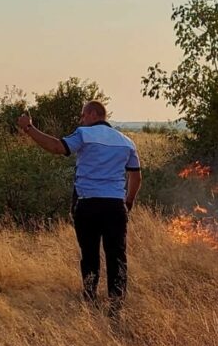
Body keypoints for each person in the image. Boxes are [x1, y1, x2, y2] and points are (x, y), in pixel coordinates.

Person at [18, 100, 142, 306]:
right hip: (115, 206)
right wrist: (127, 202)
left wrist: (29, 128)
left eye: (83, 116)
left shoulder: (84, 134)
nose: (81, 120)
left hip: (89, 204)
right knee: (117, 255)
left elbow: (57, 147)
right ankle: (116, 303)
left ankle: (90, 298)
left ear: (93, 114)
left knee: (90, 254)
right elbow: (136, 178)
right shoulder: (127, 142)